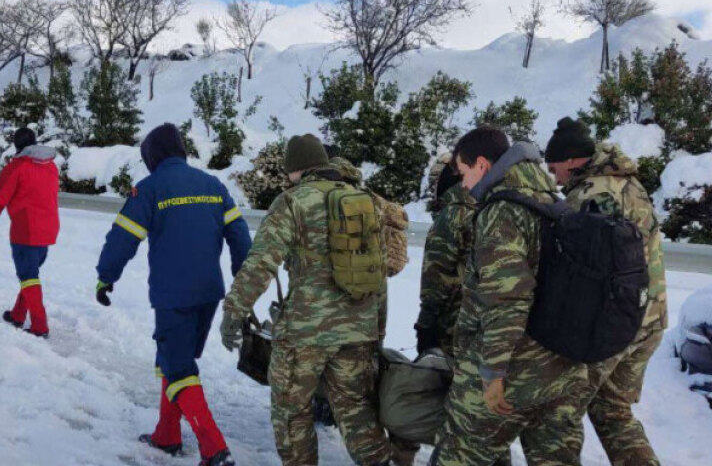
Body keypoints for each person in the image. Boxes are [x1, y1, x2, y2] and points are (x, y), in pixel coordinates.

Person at [219, 134, 395, 466]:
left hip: (305, 333)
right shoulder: (365, 201)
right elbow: (379, 273)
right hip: (358, 329)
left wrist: (233, 312)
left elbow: (261, 263)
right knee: (356, 412)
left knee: (291, 411)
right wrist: (376, 331)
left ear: (295, 169)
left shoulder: (292, 202)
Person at [95, 123, 251, 466]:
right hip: (209, 293)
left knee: (178, 368)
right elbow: (240, 234)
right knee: (175, 358)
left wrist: (105, 277)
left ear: (152, 156)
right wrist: (243, 277)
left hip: (172, 295)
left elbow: (123, 237)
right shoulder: (213, 185)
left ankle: (214, 449)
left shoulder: (149, 189)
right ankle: (167, 435)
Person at [431, 127, 587, 466]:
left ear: (483, 165)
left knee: (459, 453)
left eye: (463, 173)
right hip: (562, 368)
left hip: (514, 369)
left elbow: (507, 298)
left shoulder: (502, 211)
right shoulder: (556, 202)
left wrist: (493, 373)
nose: (464, 184)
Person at [539, 117, 667, 466]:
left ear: (570, 161)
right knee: (613, 409)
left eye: (554, 168)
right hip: (650, 320)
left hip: (616, 326)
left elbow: (584, 275)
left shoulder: (591, 196)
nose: (554, 177)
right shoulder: (630, 185)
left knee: (558, 416)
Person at [0, 127, 59, 339]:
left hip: (26, 230)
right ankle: (17, 314)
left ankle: (40, 326)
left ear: (17, 145)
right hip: (48, 230)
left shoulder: (17, 167)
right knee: (30, 274)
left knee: (29, 276)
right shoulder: (51, 166)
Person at [415, 152, 474, 357]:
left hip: (451, 324)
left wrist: (425, 325)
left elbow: (437, 277)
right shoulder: (486, 206)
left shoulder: (452, 214)